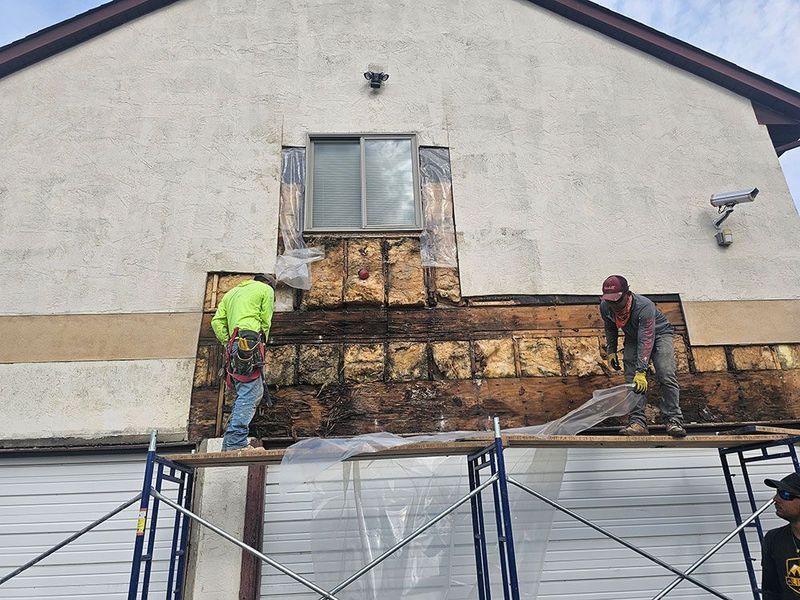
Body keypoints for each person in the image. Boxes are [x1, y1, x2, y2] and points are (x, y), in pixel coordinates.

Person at [599, 275, 686, 437]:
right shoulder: (606, 306)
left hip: (660, 334)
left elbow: (646, 339)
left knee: (666, 374)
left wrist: (642, 371)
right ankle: (638, 422)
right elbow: (610, 327)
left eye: (617, 300)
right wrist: (611, 350)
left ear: (627, 294)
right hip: (633, 337)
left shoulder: (644, 306)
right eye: (609, 300)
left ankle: (673, 419)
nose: (613, 304)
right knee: (632, 380)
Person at [211, 273, 275, 451]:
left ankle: (229, 442)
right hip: (250, 342)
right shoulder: (266, 290)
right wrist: (262, 344)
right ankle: (235, 443)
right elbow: (265, 320)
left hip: (235, 344)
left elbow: (216, 322)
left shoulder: (231, 294)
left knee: (251, 391)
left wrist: (229, 343)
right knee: (250, 393)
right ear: (269, 284)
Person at [761, 472, 800, 599]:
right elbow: (771, 591)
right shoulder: (773, 539)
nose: (775, 499)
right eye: (778, 492)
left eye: (785, 494)